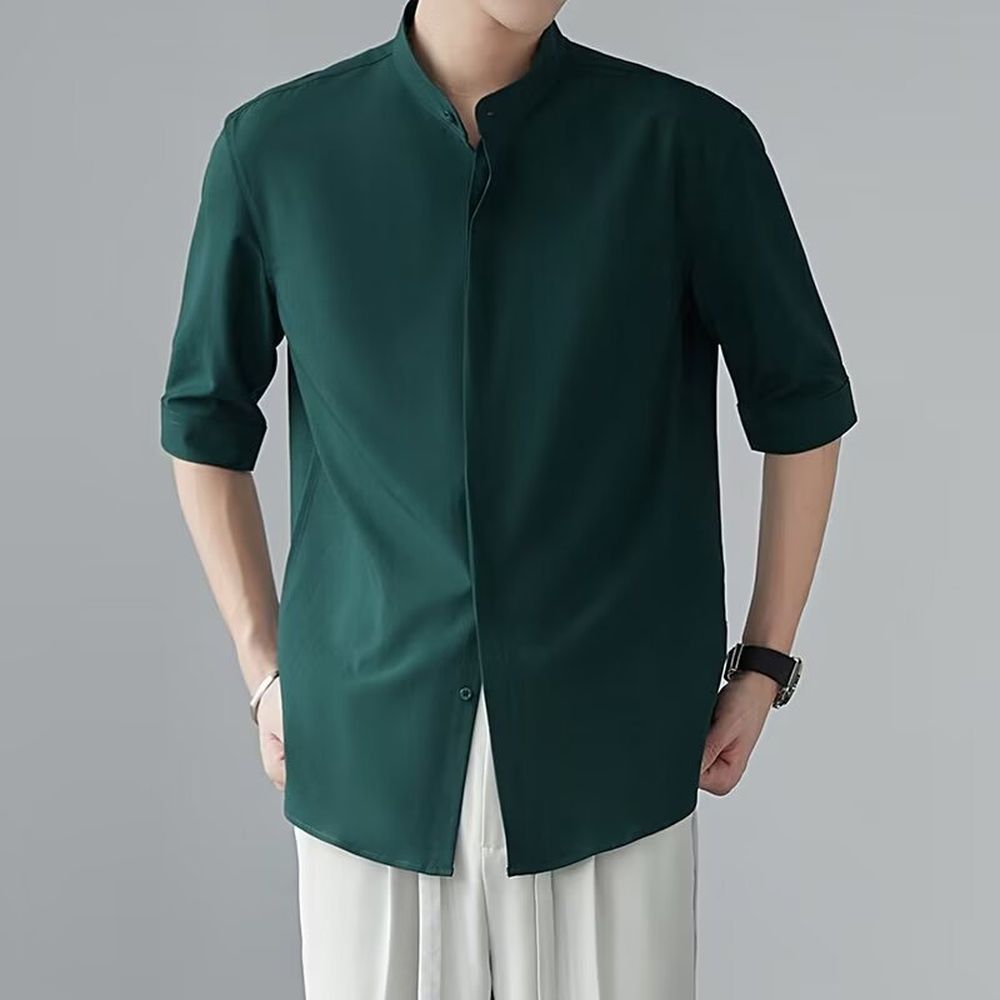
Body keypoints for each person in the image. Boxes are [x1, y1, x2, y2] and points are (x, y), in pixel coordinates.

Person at [159, 0, 858, 995]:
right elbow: (204, 420)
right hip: (366, 750)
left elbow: (803, 407)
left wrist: (765, 661)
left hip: (613, 747)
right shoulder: (275, 150)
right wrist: (264, 665)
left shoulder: (685, 144)